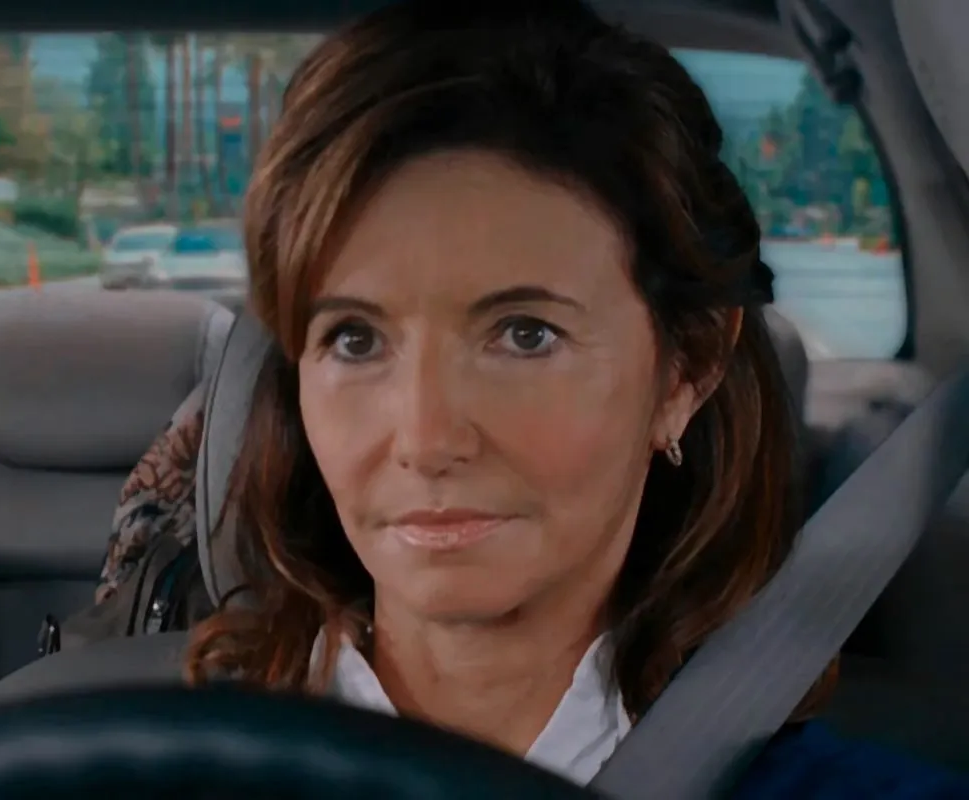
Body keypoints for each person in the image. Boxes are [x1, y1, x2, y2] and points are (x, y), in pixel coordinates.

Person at [180, 1, 969, 796]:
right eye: (355, 340)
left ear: (685, 370)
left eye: (525, 335)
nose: (425, 439)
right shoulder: (147, 764)